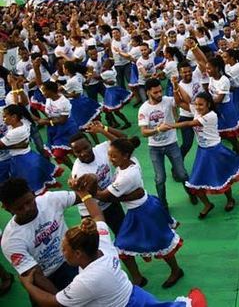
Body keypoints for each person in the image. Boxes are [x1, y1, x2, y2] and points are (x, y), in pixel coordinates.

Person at [18, 174, 207, 307]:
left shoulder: (86, 280)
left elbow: (53, 303)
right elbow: (98, 215)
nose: (61, 251)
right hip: (136, 297)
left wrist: (27, 284)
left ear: (78, 253)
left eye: (64, 249)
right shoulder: (103, 246)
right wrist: (84, 195)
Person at [74, 137, 185, 288]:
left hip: (142, 212)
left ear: (125, 155)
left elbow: (104, 196)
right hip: (142, 207)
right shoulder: (130, 163)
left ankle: (175, 271)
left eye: (114, 156)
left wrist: (91, 183)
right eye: (109, 155)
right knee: (125, 246)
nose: (110, 160)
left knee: (159, 243)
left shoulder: (125, 177)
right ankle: (139, 277)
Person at [171, 87, 239, 218]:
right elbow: (179, 102)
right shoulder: (196, 111)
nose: (197, 107)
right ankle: (207, 204)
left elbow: (190, 123)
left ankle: (230, 199)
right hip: (202, 151)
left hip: (215, 151)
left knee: (222, 177)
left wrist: (170, 126)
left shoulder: (211, 116)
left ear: (208, 104)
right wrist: (175, 87)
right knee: (196, 180)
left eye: (201, 104)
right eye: (196, 104)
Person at [0, 178, 80, 297]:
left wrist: (90, 182)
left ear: (33, 193)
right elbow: (36, 276)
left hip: (74, 261)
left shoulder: (50, 200)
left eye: (29, 202)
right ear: (7, 209)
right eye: (19, 208)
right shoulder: (11, 241)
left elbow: (84, 196)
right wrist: (61, 300)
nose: (27, 209)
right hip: (48, 278)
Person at [138, 78, 195, 211]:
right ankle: (163, 204)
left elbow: (181, 100)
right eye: (155, 92)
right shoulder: (144, 109)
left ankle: (192, 194)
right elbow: (144, 132)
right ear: (148, 93)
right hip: (155, 148)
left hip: (171, 144)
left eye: (160, 91)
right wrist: (158, 129)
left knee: (182, 174)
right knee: (160, 179)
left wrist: (175, 85)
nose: (159, 94)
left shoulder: (168, 100)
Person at [69, 121, 127, 235]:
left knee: (123, 233)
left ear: (91, 143)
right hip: (91, 212)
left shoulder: (101, 149)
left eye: (85, 148)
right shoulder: (79, 172)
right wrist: (126, 196)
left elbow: (123, 140)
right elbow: (100, 196)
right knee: (99, 244)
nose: (83, 153)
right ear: (73, 153)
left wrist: (103, 130)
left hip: (110, 202)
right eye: (78, 152)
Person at [0, 104, 60, 195]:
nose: (3, 119)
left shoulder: (15, 132)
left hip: (21, 160)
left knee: (31, 186)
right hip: (28, 155)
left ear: (14, 117)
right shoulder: (23, 123)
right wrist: (20, 145)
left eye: (4, 117)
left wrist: (17, 146)